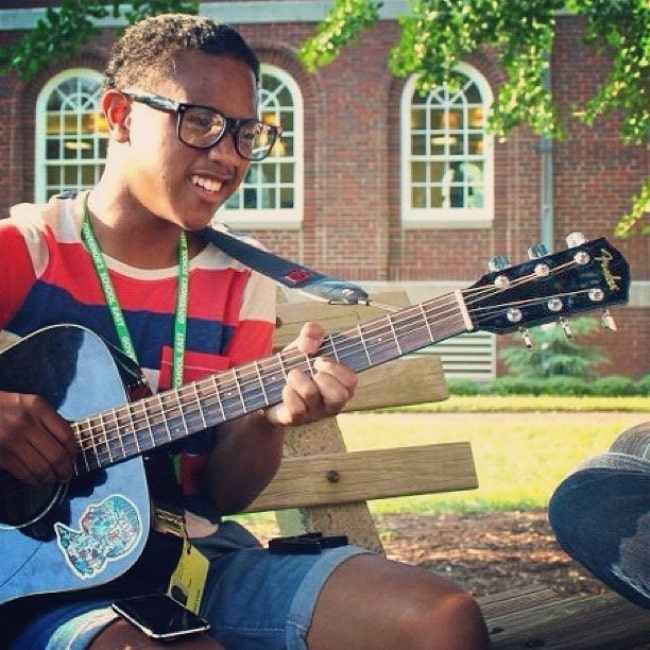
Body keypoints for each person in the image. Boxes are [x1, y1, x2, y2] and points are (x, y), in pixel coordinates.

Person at [0, 13, 490, 650]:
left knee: (442, 619)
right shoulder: (30, 250)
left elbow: (224, 494)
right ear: (119, 116)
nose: (226, 155)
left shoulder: (242, 278)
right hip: (33, 578)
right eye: (199, 122)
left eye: (244, 133)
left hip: (191, 560)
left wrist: (268, 418)